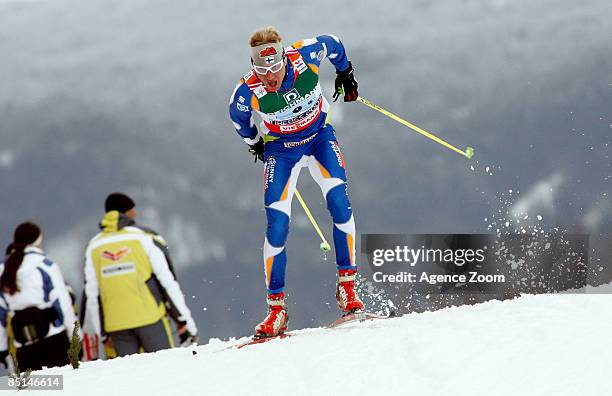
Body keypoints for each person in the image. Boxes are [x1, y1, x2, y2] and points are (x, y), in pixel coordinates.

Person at [228, 27, 364, 337]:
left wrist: (345, 73)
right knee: (277, 224)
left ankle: (347, 288)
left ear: (283, 58)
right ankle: (276, 309)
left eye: (274, 67)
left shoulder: (304, 54)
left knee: (340, 204)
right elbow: (238, 119)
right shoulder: (246, 90)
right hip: (281, 149)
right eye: (261, 70)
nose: (269, 76)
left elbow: (334, 43)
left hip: (319, 138)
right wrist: (255, 143)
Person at [81, 192, 198, 359]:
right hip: (151, 319)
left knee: (128, 378)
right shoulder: (142, 238)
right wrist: (184, 322)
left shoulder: (94, 247)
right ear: (124, 213)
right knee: (167, 369)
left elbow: (92, 295)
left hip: (116, 326)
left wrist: (102, 333)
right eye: (131, 209)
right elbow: (167, 282)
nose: (135, 213)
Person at [0, 221, 78, 372]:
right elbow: (63, 305)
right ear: (37, 240)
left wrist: (2, 348)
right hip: (53, 339)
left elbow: (1, 316)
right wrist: (75, 338)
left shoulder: (4, 270)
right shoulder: (44, 265)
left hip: (23, 345)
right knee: (64, 387)